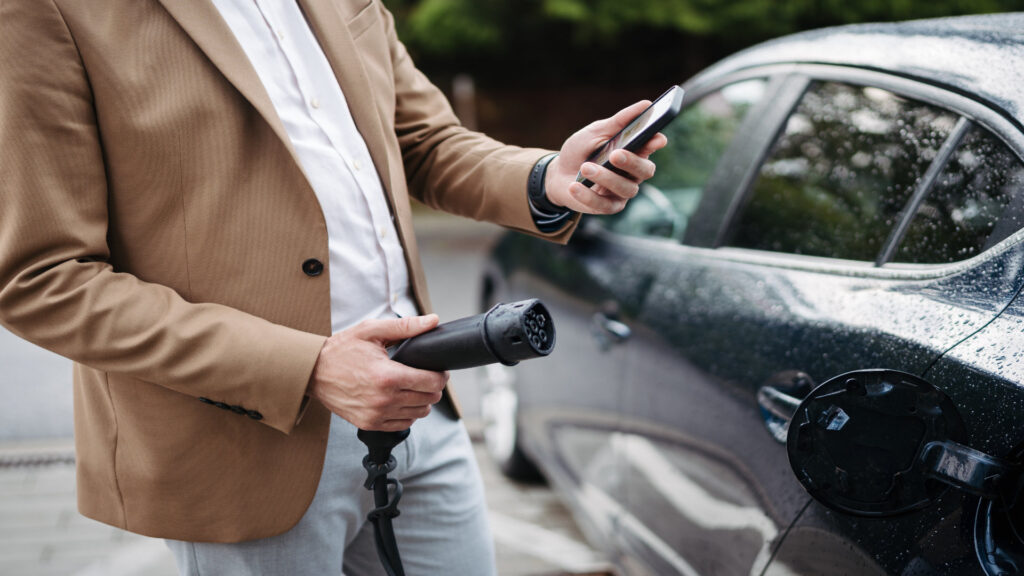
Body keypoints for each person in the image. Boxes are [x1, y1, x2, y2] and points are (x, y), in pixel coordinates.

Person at [0, 0, 666, 574]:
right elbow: (41, 277)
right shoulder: (45, 12)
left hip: (420, 405)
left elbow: (421, 139)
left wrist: (545, 179)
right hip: (239, 447)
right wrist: (307, 367)